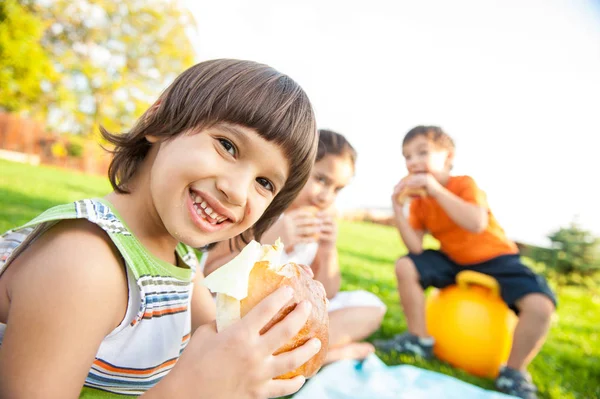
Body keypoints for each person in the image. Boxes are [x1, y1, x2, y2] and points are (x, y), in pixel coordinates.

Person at [0, 59, 323, 399]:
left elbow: (225, 340)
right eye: (227, 146)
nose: (238, 191)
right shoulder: (85, 263)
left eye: (264, 182)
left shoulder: (179, 259)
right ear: (159, 120)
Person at [375, 125, 556, 399]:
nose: (413, 162)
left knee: (540, 306)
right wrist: (398, 207)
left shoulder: (463, 184)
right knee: (406, 264)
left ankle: (513, 372)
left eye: (422, 152)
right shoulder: (421, 202)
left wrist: (436, 190)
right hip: (455, 261)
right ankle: (418, 340)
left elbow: (476, 222)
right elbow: (415, 247)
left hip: (499, 259)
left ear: (447, 157)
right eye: (407, 156)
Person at [204, 129, 386, 364]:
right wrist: (267, 240)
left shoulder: (317, 221)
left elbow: (327, 293)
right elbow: (211, 276)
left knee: (371, 307)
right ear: (297, 168)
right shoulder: (261, 208)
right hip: (246, 311)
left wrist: (327, 249)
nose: (326, 196)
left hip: (288, 312)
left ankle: (294, 357)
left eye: (337, 189)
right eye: (321, 180)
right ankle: (313, 357)